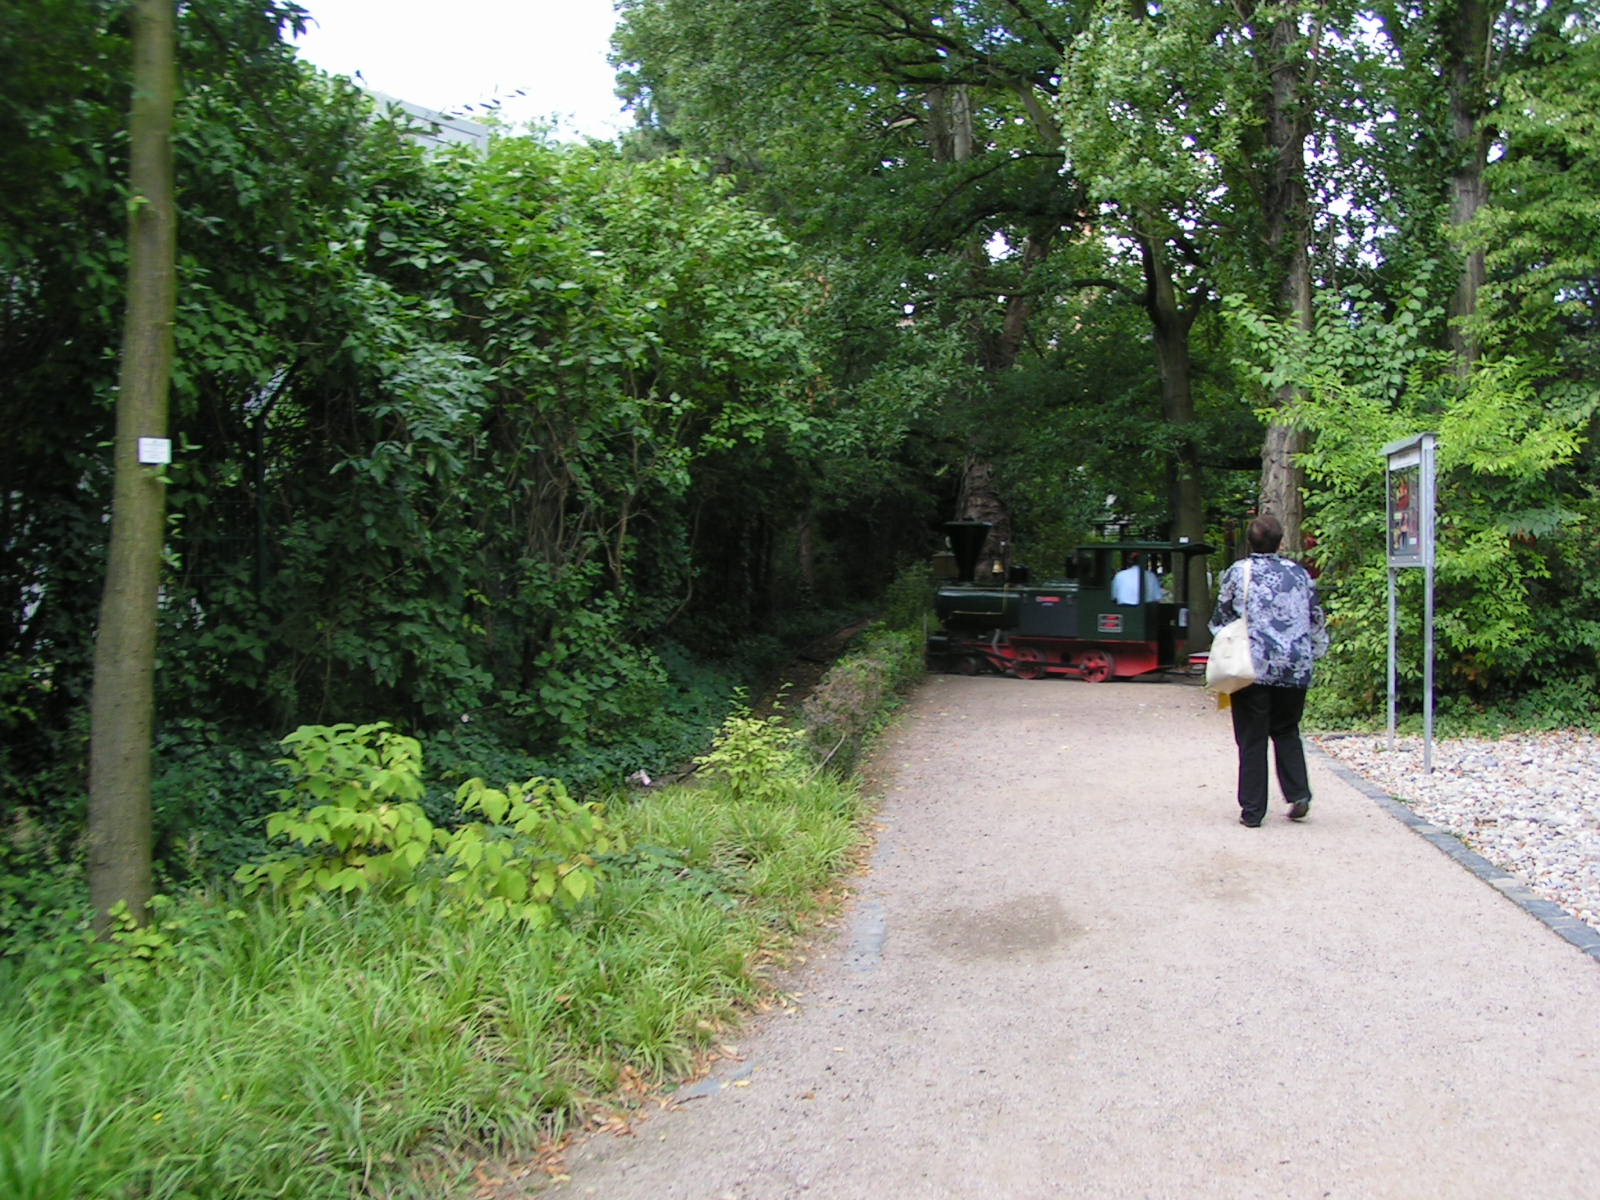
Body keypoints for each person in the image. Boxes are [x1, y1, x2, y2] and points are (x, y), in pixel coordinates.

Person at [1209, 514, 1328, 827]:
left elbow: (1221, 617)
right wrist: (1314, 651)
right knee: (1287, 729)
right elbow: (1316, 617)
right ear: (1280, 540)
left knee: (1252, 737)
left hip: (1253, 665)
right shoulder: (1299, 573)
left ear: (1249, 541)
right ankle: (1298, 793)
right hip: (1295, 665)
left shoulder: (1239, 572)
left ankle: (1253, 811)